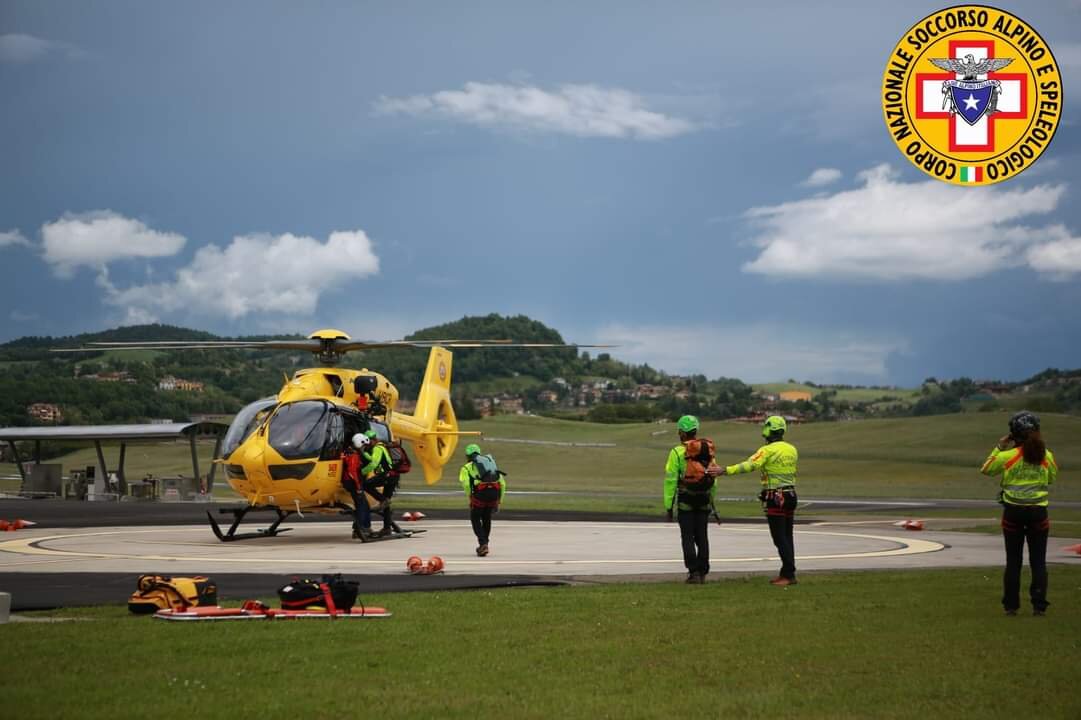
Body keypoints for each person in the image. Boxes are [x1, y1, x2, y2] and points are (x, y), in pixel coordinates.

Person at [979, 410, 1058, 616]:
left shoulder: (1008, 456)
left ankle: (1011, 606)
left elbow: (986, 469)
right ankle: (1039, 606)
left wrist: (999, 447)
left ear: (1014, 433)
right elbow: (1052, 478)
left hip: (1013, 513)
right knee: (1038, 561)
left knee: (1013, 561)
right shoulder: (1046, 456)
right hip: (1038, 513)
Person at [717, 415, 799, 586]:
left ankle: (789, 574)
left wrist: (725, 470)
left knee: (779, 538)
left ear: (768, 430)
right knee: (788, 536)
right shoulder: (792, 449)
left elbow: (750, 465)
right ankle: (787, 572)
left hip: (775, 497)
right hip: (790, 495)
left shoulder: (767, 450)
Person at [663, 415, 718, 584]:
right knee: (702, 536)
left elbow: (671, 480)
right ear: (695, 431)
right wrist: (711, 500)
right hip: (703, 499)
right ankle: (703, 572)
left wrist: (668, 506)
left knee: (687, 537)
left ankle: (693, 572)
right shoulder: (706, 450)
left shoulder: (676, 452)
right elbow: (713, 477)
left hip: (686, 499)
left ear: (681, 432)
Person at [459, 443, 505, 556]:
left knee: (475, 518)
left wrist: (470, 497)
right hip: (494, 494)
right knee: (486, 518)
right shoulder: (490, 465)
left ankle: (483, 543)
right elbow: (502, 484)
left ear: (467, 456)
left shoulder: (466, 467)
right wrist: (499, 501)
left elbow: (466, 484)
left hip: (480, 495)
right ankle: (484, 544)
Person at [358, 429, 396, 538]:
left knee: (366, 485)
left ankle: (383, 500)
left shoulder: (378, 448)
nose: (367, 444)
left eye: (368, 442)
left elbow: (374, 463)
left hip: (386, 476)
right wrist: (364, 453)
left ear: (373, 440)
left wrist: (361, 472)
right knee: (386, 504)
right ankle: (387, 528)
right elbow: (373, 458)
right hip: (392, 476)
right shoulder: (381, 447)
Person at [342, 433, 375, 540]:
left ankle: (362, 528)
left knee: (362, 504)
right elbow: (353, 473)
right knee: (362, 505)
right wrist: (358, 487)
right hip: (353, 483)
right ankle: (361, 529)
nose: (364, 448)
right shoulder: (354, 456)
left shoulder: (349, 452)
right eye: (364, 446)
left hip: (350, 483)